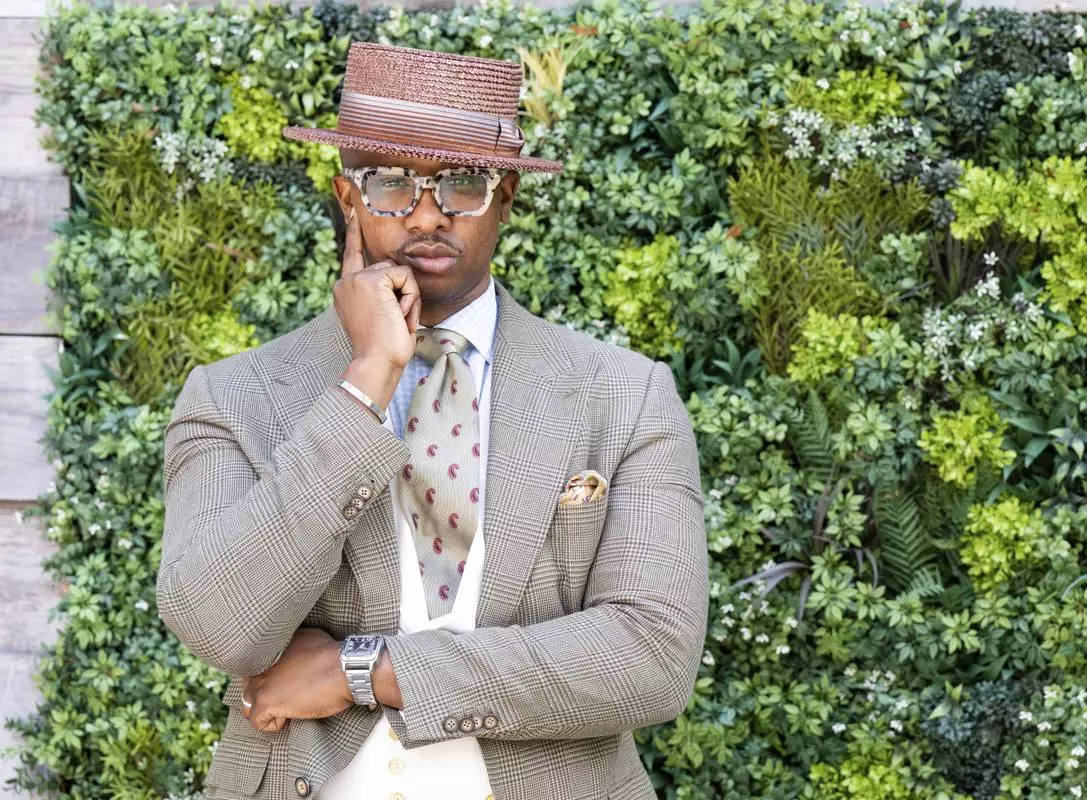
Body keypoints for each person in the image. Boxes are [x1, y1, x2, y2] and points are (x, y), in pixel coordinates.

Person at [155, 41, 707, 800]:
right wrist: (364, 384)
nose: (425, 213)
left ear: (505, 196)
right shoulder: (232, 397)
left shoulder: (626, 395)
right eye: (389, 183)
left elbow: (652, 656)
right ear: (348, 199)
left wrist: (366, 672)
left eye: (462, 183)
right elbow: (217, 624)